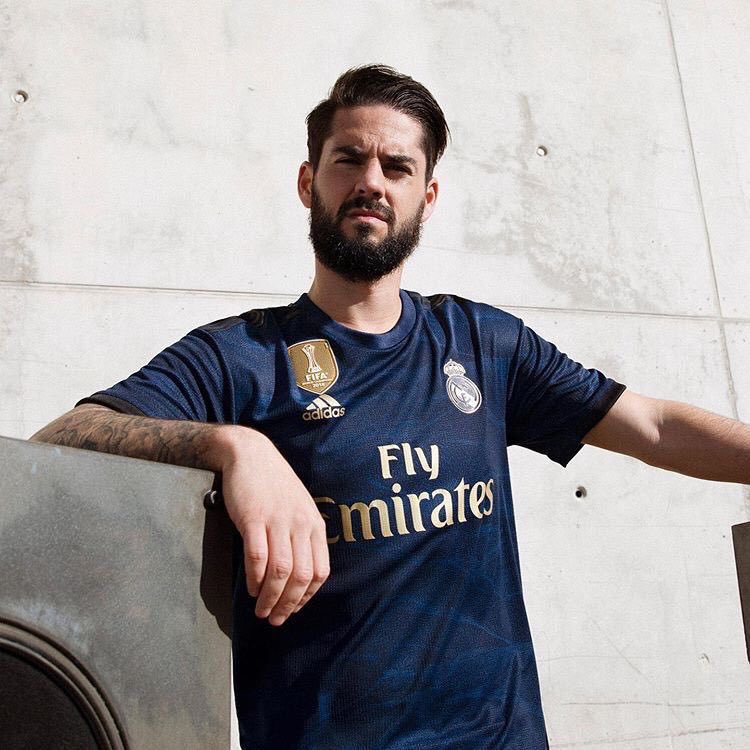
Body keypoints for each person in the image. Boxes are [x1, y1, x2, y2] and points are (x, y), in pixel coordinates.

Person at [32, 65, 749, 749]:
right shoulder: (240, 358)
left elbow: (653, 426)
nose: (371, 182)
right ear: (309, 182)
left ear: (426, 196)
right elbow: (64, 438)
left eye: (397, 167)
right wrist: (235, 447)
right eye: (349, 159)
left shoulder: (482, 344)